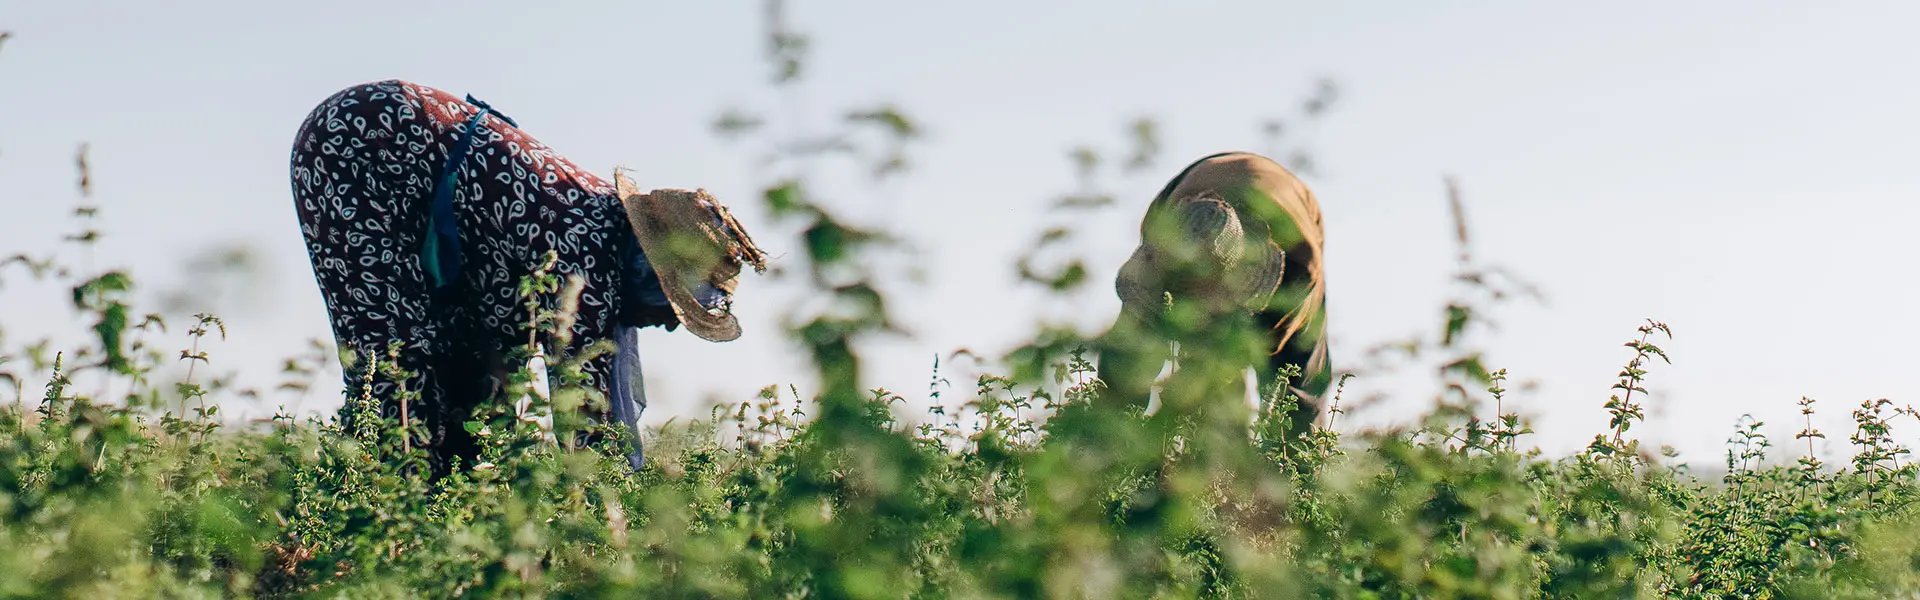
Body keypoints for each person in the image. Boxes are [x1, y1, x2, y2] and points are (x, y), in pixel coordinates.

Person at [288, 79, 765, 471]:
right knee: (394, 360)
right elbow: (589, 422)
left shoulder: (598, 232)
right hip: (356, 150)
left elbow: (502, 344)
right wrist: (619, 529)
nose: (667, 323)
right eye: (674, 306)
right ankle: (375, 513)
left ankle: (437, 516)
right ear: (649, 272)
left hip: (403, 166)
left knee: (472, 374)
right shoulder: (588, 256)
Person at [1096, 151, 1330, 436]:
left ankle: (1288, 473)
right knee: (1130, 359)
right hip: (1192, 182)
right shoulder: (1163, 239)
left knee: (1296, 389)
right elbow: (1123, 361)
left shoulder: (1297, 264)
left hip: (1290, 206)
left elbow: (1261, 350)